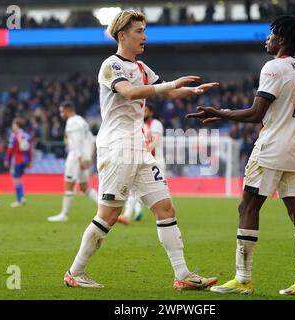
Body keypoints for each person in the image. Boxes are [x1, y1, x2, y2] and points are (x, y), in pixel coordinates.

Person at [63, 9, 219, 290]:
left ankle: (182, 275)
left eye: (144, 31)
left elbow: (169, 92)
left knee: (165, 208)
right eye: (139, 32)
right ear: (123, 35)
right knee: (109, 214)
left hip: (138, 147)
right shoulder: (111, 65)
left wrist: (194, 92)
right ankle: (75, 272)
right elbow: (131, 93)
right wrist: (171, 84)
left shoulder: (143, 68)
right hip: (116, 146)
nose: (144, 37)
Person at [187, 16, 295, 297]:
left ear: (282, 38)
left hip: (271, 148)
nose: (266, 39)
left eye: (270, 34)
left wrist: (219, 112)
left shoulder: (274, 66)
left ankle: (243, 279)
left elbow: (256, 113)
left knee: (247, 208)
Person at [47, 101, 98, 222]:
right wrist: (89, 158)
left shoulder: (71, 122)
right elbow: (91, 140)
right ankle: (103, 207)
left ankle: (63, 215)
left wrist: (80, 159)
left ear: (67, 110)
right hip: (84, 156)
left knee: (69, 185)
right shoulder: (81, 120)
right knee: (84, 187)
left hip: (76, 157)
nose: (61, 114)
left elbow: (76, 142)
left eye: (61, 111)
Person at [117, 103, 165, 224]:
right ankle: (128, 215)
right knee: (134, 189)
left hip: (155, 162)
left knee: (157, 193)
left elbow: (155, 140)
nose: (143, 112)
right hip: (142, 160)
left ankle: (159, 214)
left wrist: (146, 150)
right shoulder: (139, 125)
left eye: (146, 110)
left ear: (151, 112)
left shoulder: (155, 124)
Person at [4, 118, 32, 207]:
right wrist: (30, 161)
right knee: (19, 178)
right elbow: (30, 149)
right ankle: (22, 197)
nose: (12, 126)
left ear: (16, 125)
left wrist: (7, 159)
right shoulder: (27, 135)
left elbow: (10, 149)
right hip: (25, 159)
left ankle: (19, 200)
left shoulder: (14, 135)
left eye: (13, 124)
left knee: (16, 179)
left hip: (17, 160)